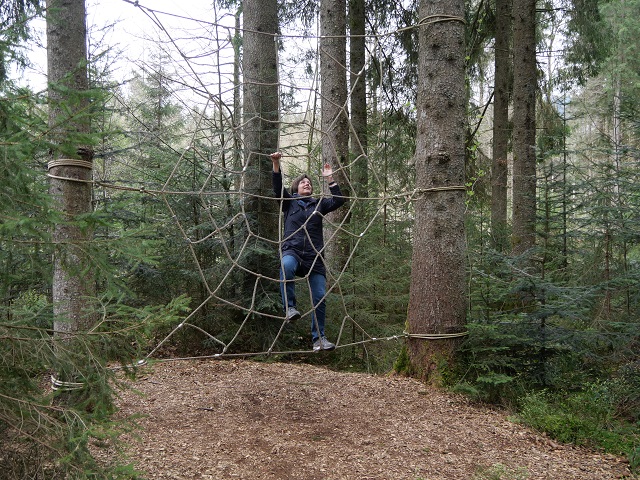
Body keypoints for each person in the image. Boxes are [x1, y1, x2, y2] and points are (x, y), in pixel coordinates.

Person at [270, 151, 346, 352]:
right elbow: (278, 189)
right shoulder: (289, 202)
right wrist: (276, 164)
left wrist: (330, 178)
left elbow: (339, 199)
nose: (307, 184)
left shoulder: (318, 204)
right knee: (286, 266)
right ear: (296, 187)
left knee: (320, 296)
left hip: (314, 256)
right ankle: (290, 308)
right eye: (303, 182)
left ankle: (319, 339)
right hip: (293, 250)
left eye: (309, 183)